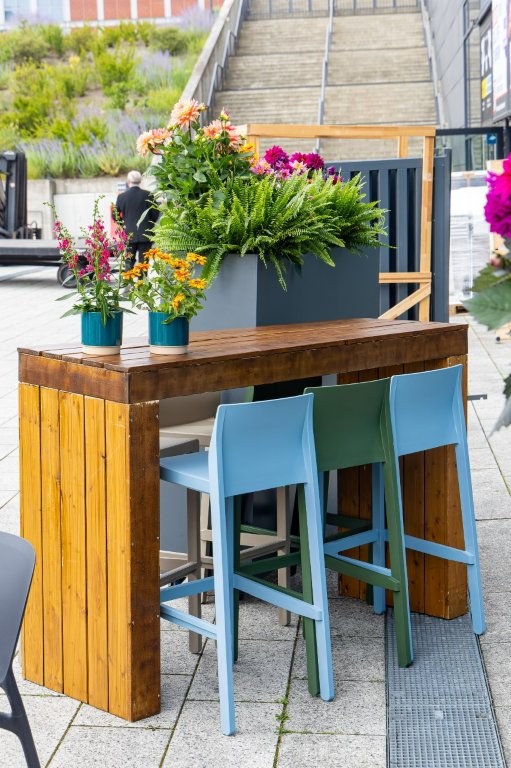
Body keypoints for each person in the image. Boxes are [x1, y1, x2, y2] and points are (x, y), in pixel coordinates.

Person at [115, 170, 158, 267]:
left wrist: (123, 225)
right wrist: (149, 224)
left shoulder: (122, 197)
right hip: (146, 234)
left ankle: (129, 277)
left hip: (129, 235)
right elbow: (155, 213)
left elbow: (115, 215)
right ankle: (142, 277)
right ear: (140, 181)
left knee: (128, 263)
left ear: (128, 181)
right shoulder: (149, 195)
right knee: (144, 264)